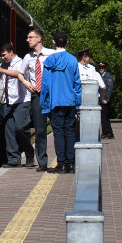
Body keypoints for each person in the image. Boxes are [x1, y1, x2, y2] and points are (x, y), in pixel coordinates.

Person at [39, 30, 82, 173]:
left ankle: (61, 164)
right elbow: (77, 84)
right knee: (70, 131)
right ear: (67, 43)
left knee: (58, 132)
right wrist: (78, 103)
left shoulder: (49, 61)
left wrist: (43, 103)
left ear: (53, 42)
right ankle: (71, 163)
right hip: (70, 101)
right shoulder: (73, 60)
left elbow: (44, 85)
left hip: (55, 101)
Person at [0, 43, 33, 168]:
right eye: (1, 56)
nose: (3, 58)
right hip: (8, 103)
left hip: (21, 101)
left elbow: (17, 74)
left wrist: (1, 70)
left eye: (4, 55)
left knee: (20, 128)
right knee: (9, 130)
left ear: (11, 52)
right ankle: (14, 159)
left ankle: (30, 154)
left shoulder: (20, 62)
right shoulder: (3, 65)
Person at [23, 27, 55, 171]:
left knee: (58, 127)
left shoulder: (51, 54)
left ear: (39, 39)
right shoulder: (28, 57)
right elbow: (19, 73)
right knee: (40, 129)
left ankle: (64, 160)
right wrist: (26, 83)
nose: (27, 40)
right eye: (28, 38)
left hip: (52, 94)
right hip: (37, 95)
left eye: (31, 37)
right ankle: (42, 162)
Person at [77, 47, 104, 140]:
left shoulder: (91, 68)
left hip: (91, 99)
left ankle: (93, 138)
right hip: (81, 98)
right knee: (80, 122)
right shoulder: (76, 67)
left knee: (93, 121)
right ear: (84, 57)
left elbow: (96, 82)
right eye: (88, 57)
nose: (89, 59)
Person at [98, 61, 115, 139]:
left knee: (103, 117)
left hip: (105, 99)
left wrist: (106, 99)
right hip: (101, 98)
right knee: (106, 116)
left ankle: (105, 133)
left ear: (105, 68)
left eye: (103, 68)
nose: (101, 69)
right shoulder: (99, 76)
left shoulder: (107, 76)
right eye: (100, 68)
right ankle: (109, 133)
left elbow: (110, 88)